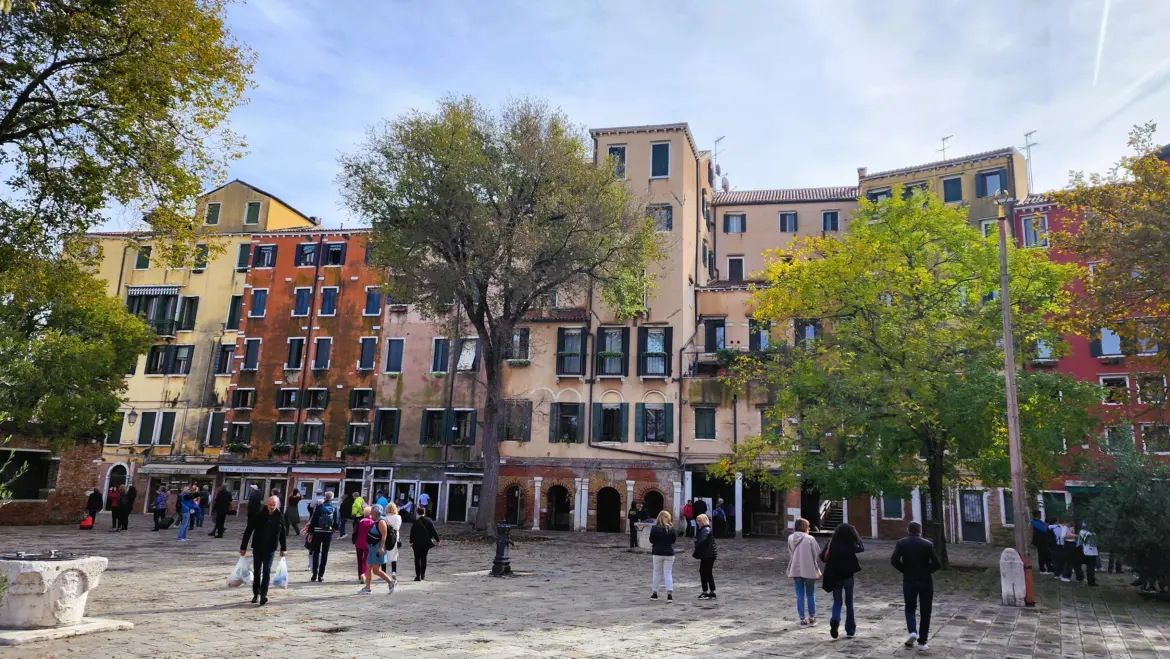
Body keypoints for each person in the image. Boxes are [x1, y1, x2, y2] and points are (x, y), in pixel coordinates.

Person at [891, 521, 941, 651]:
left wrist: (904, 570)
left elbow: (894, 560)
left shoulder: (901, 543)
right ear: (920, 531)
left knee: (910, 608)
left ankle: (912, 631)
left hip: (909, 579)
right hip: (925, 580)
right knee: (926, 611)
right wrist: (927, 570)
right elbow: (937, 564)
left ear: (908, 530)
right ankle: (923, 642)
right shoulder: (927, 544)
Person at [240, 495, 287, 606]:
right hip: (258, 547)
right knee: (257, 571)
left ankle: (263, 595)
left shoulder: (279, 516)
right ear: (267, 504)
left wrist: (283, 548)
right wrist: (243, 547)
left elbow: (283, 533)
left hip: (270, 548)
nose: (272, 507)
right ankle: (256, 593)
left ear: (277, 505)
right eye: (270, 504)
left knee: (266, 570)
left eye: (274, 505)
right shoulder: (259, 516)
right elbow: (248, 531)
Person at [819, 523, 864, 639]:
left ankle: (835, 620)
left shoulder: (832, 542)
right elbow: (861, 547)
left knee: (837, 601)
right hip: (848, 576)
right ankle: (850, 631)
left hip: (835, 576)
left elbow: (822, 557)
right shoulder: (851, 543)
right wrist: (857, 536)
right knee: (849, 603)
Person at [787, 518, 821, 628]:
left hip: (796, 568)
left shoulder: (791, 538)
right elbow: (816, 553)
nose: (809, 528)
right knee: (810, 594)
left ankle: (802, 619)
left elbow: (790, 552)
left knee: (800, 595)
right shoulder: (810, 538)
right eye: (808, 526)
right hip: (809, 568)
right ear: (805, 527)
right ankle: (812, 617)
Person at [361, 505, 398, 594]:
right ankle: (367, 588)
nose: (370, 515)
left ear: (376, 513)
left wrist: (381, 548)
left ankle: (391, 582)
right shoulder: (376, 521)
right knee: (369, 568)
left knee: (376, 570)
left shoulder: (381, 522)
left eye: (372, 513)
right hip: (373, 548)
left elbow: (384, 535)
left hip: (378, 549)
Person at [307, 491, 338, 582]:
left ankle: (314, 574)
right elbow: (336, 521)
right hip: (328, 532)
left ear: (325, 497)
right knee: (325, 553)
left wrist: (310, 533)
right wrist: (334, 529)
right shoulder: (333, 508)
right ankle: (321, 575)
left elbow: (314, 520)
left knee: (316, 552)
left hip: (317, 531)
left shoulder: (319, 507)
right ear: (332, 498)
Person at [649, 511, 676, 602]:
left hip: (657, 552)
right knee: (668, 573)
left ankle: (654, 593)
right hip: (669, 553)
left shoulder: (654, 528)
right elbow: (673, 541)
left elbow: (651, 540)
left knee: (657, 572)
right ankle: (669, 594)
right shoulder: (671, 528)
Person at [410, 506, 440, 581]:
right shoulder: (429, 520)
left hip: (417, 543)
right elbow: (433, 531)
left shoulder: (416, 522)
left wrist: (411, 542)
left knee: (417, 559)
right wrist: (438, 540)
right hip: (426, 542)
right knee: (424, 558)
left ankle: (418, 576)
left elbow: (412, 533)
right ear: (424, 512)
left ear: (417, 513)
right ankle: (423, 575)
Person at [694, 513, 717, 599]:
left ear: (703, 521)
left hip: (708, 554)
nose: (698, 522)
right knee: (706, 572)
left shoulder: (705, 530)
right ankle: (711, 591)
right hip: (708, 554)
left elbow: (703, 542)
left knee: (704, 572)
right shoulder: (705, 529)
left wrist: (697, 545)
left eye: (699, 521)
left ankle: (706, 591)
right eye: (697, 521)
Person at [354, 505, 374, 583]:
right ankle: (364, 574)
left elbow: (355, 532)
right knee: (365, 560)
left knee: (359, 560)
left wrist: (354, 540)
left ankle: (360, 575)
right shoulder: (372, 522)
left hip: (359, 543)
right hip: (367, 544)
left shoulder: (359, 521)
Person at [384, 502, 403, 583]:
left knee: (385, 554)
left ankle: (384, 573)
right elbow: (399, 526)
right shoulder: (398, 517)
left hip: (387, 536)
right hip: (395, 536)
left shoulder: (385, 518)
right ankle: (394, 572)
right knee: (394, 555)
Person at [1078, 522, 1098, 587]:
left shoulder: (1081, 532)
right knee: (1091, 568)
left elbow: (1080, 542)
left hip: (1085, 551)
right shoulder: (1092, 534)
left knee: (1089, 568)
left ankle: (1090, 580)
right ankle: (1091, 582)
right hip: (1092, 553)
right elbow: (1094, 543)